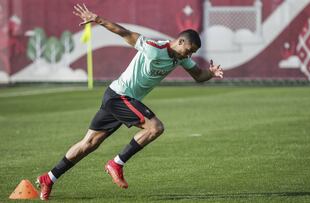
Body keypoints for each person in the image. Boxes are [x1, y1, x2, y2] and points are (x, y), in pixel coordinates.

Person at [36, 3, 224, 200]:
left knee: (89, 143)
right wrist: (97, 19)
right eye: (189, 50)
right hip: (119, 96)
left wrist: (210, 73)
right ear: (180, 41)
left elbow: (199, 76)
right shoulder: (153, 47)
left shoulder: (180, 59)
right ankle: (116, 163)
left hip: (120, 99)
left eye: (192, 52)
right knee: (155, 127)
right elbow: (124, 32)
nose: (190, 55)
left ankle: (49, 178)